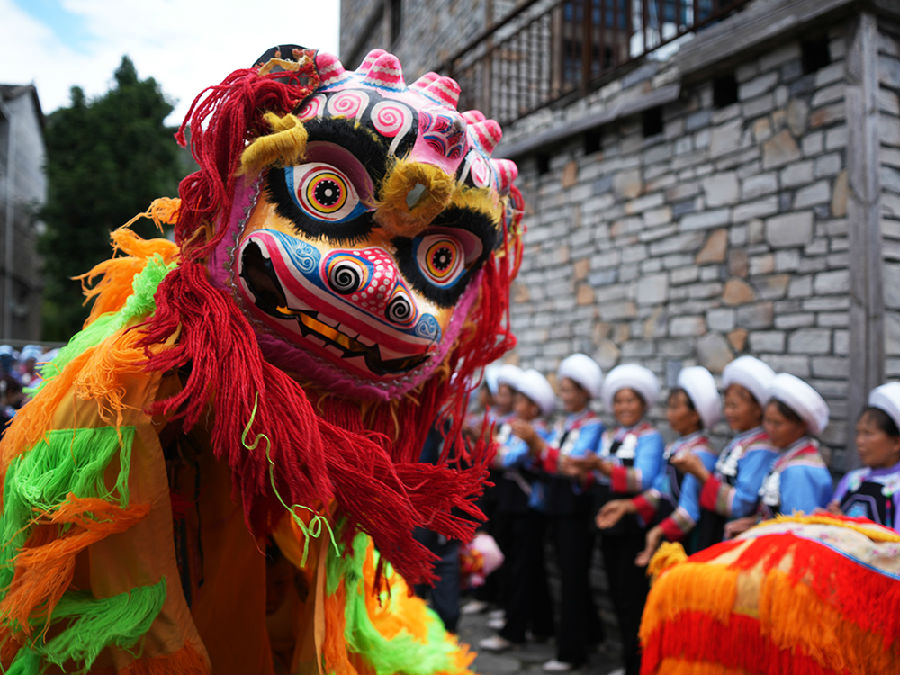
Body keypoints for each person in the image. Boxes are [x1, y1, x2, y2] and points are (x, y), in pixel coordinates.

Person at [565, 363, 663, 675]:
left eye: (630, 400)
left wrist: (604, 469)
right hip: (609, 521)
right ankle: (628, 661)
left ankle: (640, 665)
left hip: (632, 523)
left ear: (644, 404)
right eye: (619, 401)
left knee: (633, 595)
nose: (623, 407)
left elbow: (644, 478)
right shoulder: (612, 436)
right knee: (616, 594)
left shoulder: (651, 437)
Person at [596, 366, 721, 564]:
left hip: (686, 539)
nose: (668, 413)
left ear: (695, 414)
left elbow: (689, 511)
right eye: (668, 407)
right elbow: (660, 491)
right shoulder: (675, 447)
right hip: (669, 532)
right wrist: (626, 506)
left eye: (674, 407)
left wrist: (659, 531)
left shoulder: (701, 454)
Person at [527, 354, 604, 672]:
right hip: (556, 507)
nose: (565, 396)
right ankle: (592, 634)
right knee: (569, 574)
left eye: (571, 390)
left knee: (573, 577)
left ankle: (571, 652)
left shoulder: (594, 426)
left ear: (586, 392)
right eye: (563, 390)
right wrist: (538, 448)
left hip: (576, 509)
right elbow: (544, 460)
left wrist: (537, 445)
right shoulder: (562, 424)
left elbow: (571, 465)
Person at [479, 368, 556, 652]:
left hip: (528, 508)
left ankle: (513, 632)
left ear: (534, 407)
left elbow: (507, 458)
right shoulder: (518, 427)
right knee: (526, 568)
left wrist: (490, 449)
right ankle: (541, 625)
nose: (516, 405)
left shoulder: (537, 433)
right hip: (511, 504)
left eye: (522, 401)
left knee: (522, 569)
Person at [670, 355, 777, 548]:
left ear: (758, 409)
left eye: (735, 406)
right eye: (726, 405)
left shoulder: (761, 449)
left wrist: (700, 472)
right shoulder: (739, 442)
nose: (729, 412)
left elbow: (741, 504)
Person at [726, 372, 833, 537]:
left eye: (778, 423)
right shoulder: (787, 458)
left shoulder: (800, 470)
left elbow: (797, 529)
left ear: (801, 425)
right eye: (767, 421)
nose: (770, 428)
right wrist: (752, 524)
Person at [826, 382, 900, 529]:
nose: (859, 441)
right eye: (858, 433)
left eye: (868, 434)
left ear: (896, 442)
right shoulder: (852, 480)